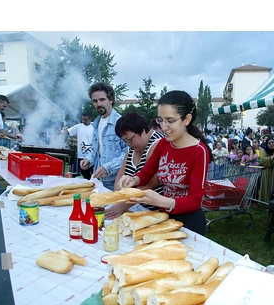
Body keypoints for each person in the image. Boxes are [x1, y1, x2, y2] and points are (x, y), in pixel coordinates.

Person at [118, 90, 211, 236]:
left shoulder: (199, 151)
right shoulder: (163, 144)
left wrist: (164, 202)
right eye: (160, 120)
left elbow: (195, 199)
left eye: (170, 121)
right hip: (164, 218)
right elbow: (147, 172)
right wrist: (134, 179)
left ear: (186, 119)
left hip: (190, 222)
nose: (163, 127)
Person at [105, 112, 164, 220]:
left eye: (130, 139)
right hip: (133, 206)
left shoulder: (157, 144)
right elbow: (120, 177)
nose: (128, 143)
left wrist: (122, 206)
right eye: (125, 141)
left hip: (154, 211)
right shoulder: (132, 148)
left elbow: (152, 183)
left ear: (142, 131)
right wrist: (118, 197)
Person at [80, 82, 128, 191]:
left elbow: (128, 153)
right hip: (100, 180)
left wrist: (108, 167)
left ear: (110, 99)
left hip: (118, 180)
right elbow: (96, 150)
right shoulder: (96, 124)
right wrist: (89, 159)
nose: (98, 104)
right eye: (95, 101)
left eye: (102, 99)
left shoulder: (120, 123)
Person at [65, 113, 94, 179]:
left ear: (90, 119)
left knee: (94, 173)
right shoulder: (78, 126)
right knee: (85, 173)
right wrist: (60, 136)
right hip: (82, 155)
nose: (83, 121)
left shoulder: (95, 126)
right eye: (82, 120)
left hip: (92, 155)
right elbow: (67, 131)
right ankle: (88, 184)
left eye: (85, 120)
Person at [258, 136, 274, 202]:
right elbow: (262, 160)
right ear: (267, 144)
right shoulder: (265, 151)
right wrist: (273, 156)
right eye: (269, 143)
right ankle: (267, 201)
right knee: (268, 187)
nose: (271, 144)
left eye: (272, 142)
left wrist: (271, 160)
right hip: (267, 173)